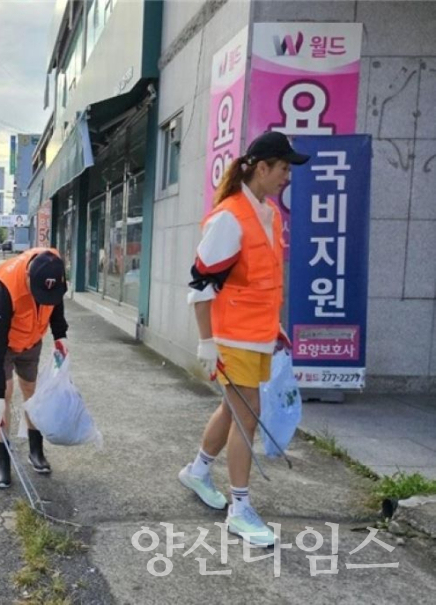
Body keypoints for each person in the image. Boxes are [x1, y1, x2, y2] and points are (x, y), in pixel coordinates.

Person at [181, 131, 309, 547]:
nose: (287, 176)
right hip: (231, 335)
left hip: (257, 333)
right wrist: (206, 343)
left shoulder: (268, 214)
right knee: (246, 415)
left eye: (290, 168)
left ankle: (198, 471)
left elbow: (263, 280)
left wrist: (275, 326)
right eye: (284, 167)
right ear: (261, 167)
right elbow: (201, 284)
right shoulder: (229, 217)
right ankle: (240, 508)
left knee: (232, 409)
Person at [0, 248, 69, 489]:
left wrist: (60, 335)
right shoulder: (6, 284)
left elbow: (56, 306)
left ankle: (35, 451)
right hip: (2, 339)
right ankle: (3, 461)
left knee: (32, 390)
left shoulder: (54, 268)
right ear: (28, 276)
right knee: (6, 394)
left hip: (31, 337)